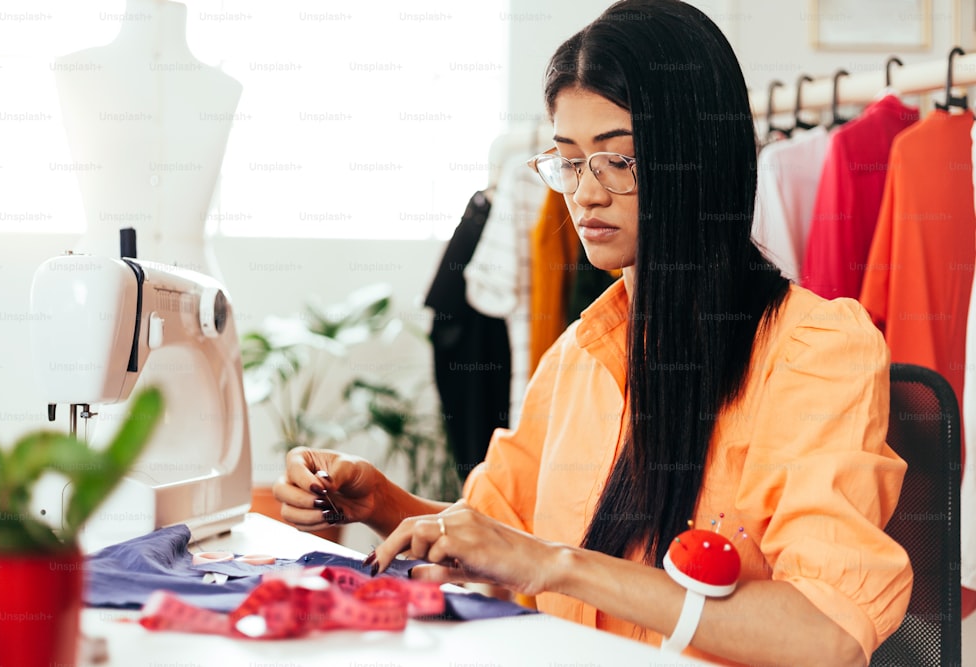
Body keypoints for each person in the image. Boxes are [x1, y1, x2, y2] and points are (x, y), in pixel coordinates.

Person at [273, 1, 912, 664]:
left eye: (619, 161)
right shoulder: (580, 354)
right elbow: (498, 533)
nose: (586, 193)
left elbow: (824, 634)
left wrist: (559, 565)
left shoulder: (818, 349)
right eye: (570, 162)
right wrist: (379, 500)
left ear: (699, 157)